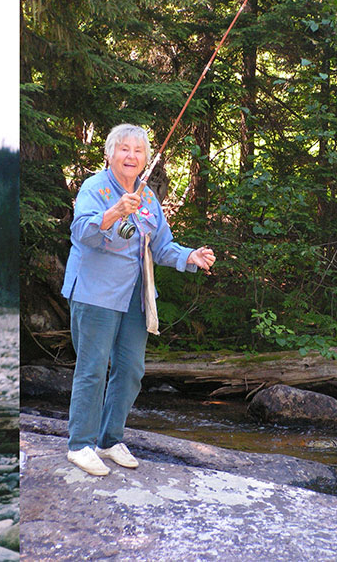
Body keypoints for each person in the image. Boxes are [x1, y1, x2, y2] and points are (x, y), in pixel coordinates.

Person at [60, 123, 216, 476]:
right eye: (124, 149)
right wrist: (115, 211)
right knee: (93, 368)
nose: (131, 156)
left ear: (146, 158)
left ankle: (108, 439)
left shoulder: (148, 199)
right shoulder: (94, 188)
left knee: (130, 369)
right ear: (109, 154)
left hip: (135, 294)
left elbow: (161, 246)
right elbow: (81, 231)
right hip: (95, 292)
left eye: (138, 150)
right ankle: (80, 444)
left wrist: (190, 256)